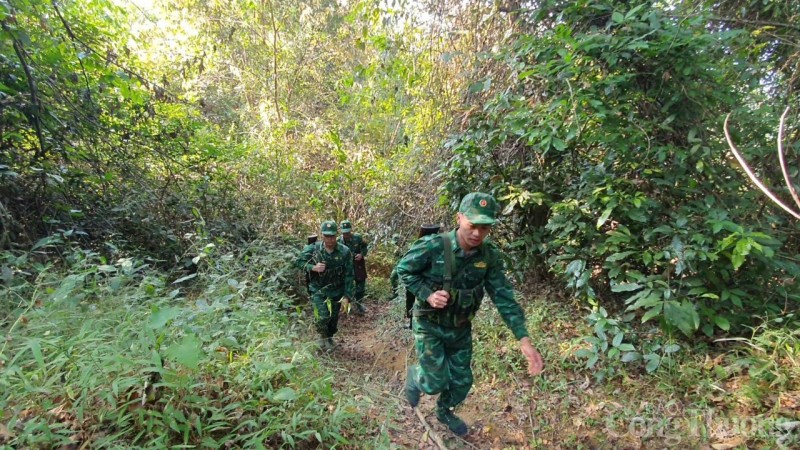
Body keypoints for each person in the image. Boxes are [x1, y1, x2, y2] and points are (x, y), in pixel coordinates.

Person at [396, 192, 544, 436]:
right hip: (429, 325)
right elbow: (404, 270)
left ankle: (444, 412)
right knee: (434, 382)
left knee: (462, 382)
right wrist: (427, 294)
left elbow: (504, 297)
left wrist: (524, 340)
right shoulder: (433, 246)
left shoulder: (489, 257)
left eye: (485, 228)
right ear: (460, 218)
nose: (477, 233)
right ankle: (415, 376)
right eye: (472, 225)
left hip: (460, 329)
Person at [296, 220, 355, 352]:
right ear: (322, 235)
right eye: (327, 236)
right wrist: (313, 267)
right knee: (322, 317)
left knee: (333, 319)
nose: (330, 239)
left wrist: (347, 296)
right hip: (318, 290)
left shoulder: (345, 252)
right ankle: (322, 338)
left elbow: (350, 275)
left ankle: (329, 338)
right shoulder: (313, 249)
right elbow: (299, 262)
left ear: (336, 235)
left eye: (332, 236)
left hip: (337, 291)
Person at [338, 220, 368, 315]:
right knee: (347, 286)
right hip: (346, 267)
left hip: (358, 265)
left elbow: (365, 247)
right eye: (344, 232)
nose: (346, 234)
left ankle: (359, 305)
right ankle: (347, 307)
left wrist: (361, 254)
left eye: (348, 232)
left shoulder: (357, 238)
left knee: (360, 287)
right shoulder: (339, 241)